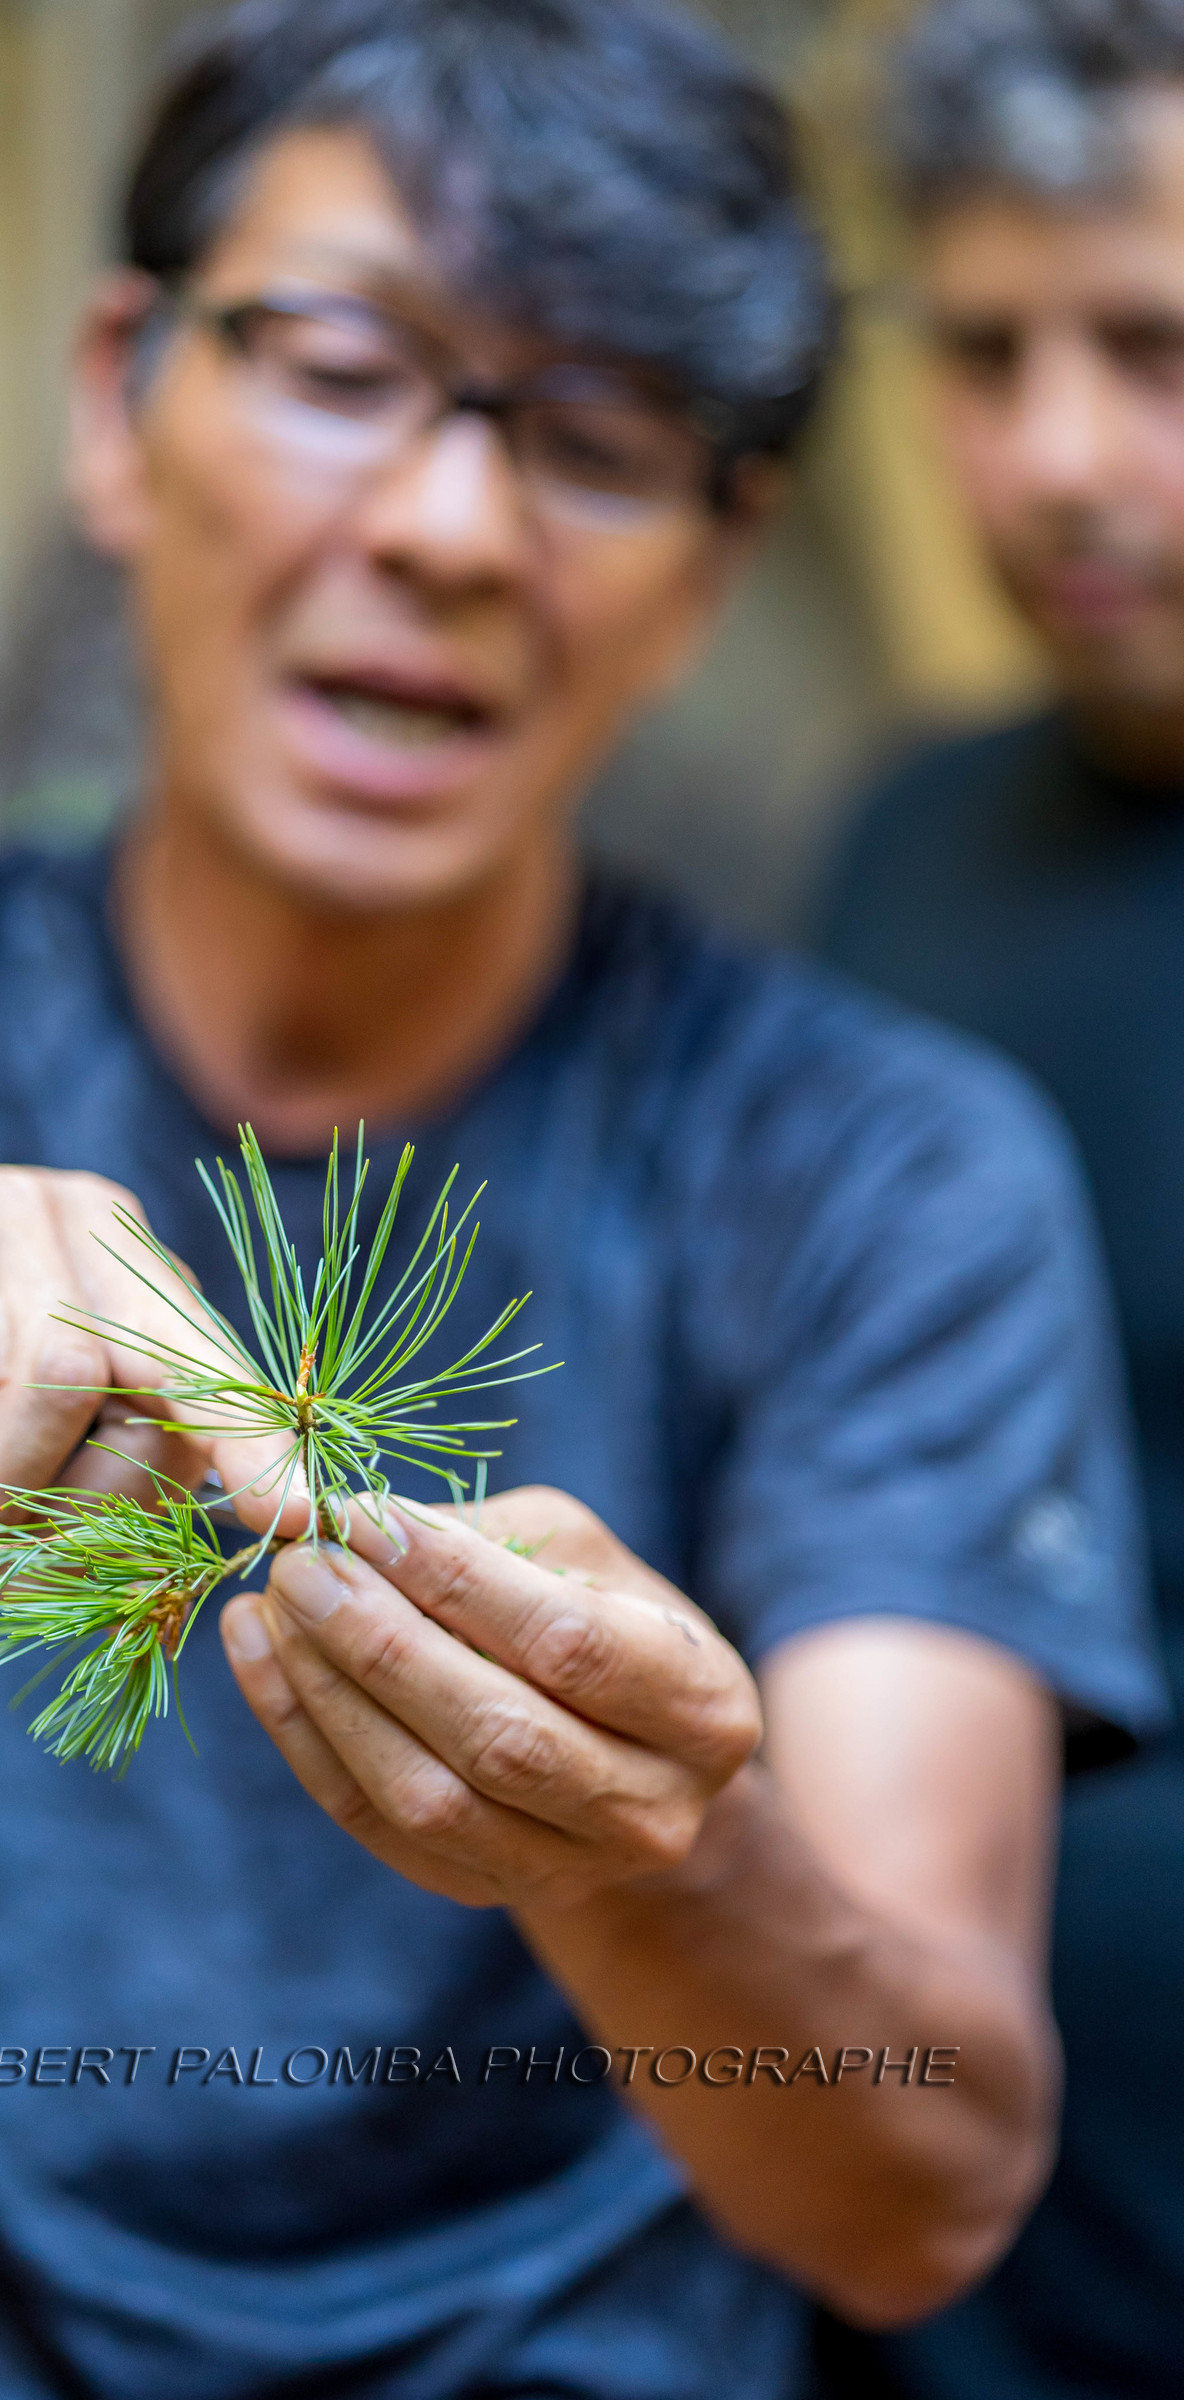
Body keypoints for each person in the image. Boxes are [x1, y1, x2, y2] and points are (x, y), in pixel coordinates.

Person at [0, 3, 1165, 2393]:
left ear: (718, 559)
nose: (440, 527)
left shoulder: (870, 1173)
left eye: (590, 437)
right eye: (338, 367)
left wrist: (653, 1859)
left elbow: (925, 2193)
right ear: (118, 403)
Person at [817, 1, 1184, 2391]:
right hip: (919, 2267)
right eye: (982, 353)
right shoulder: (898, 851)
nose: (1053, 458)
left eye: (1149, 348)